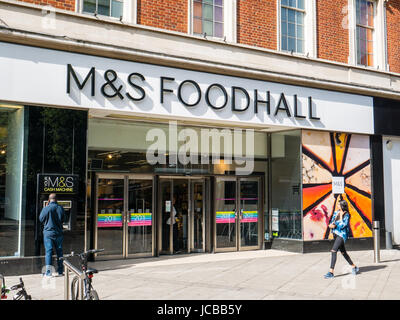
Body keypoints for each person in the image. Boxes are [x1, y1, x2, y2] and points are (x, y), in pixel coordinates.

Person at [324, 199, 359, 279]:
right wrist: (331, 225)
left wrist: (335, 225)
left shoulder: (346, 214)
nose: (337, 205)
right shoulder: (336, 213)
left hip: (342, 235)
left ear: (342, 205)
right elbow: (332, 221)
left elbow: (344, 224)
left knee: (333, 250)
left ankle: (331, 272)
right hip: (336, 234)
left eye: (339, 204)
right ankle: (354, 267)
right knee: (343, 252)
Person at [39, 193, 65, 277]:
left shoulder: (46, 208)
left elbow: (41, 219)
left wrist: (45, 208)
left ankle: (48, 273)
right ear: (56, 199)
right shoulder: (60, 208)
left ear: (49, 200)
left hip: (48, 233)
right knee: (59, 252)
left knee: (49, 252)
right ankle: (60, 271)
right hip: (58, 233)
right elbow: (64, 219)